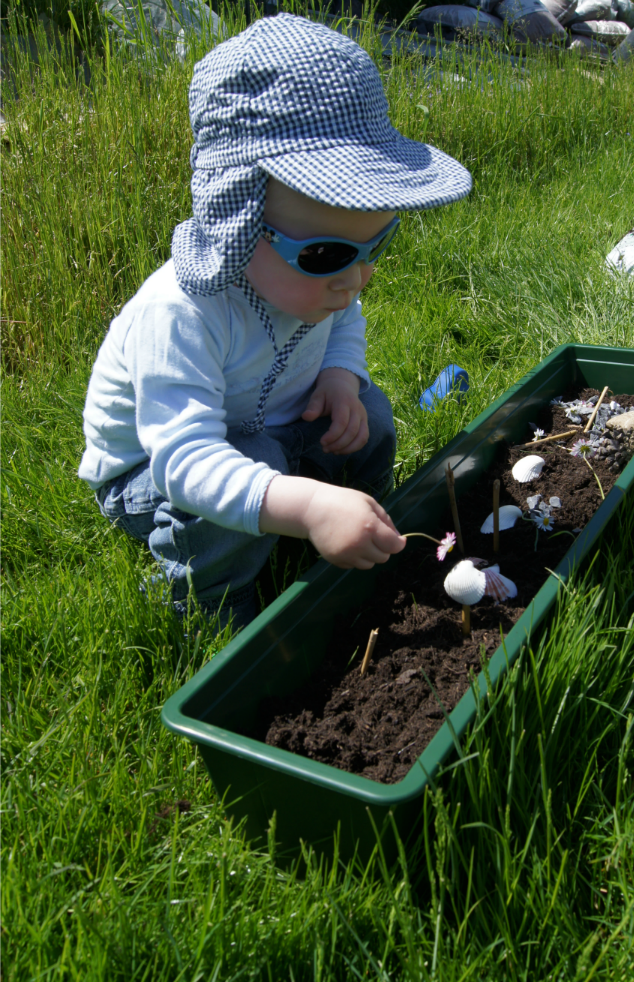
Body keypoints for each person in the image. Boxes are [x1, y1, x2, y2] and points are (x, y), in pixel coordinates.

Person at [78, 13, 472, 630]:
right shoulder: (179, 313)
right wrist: (308, 503)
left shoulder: (318, 288)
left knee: (369, 412)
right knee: (254, 456)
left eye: (376, 246)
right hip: (156, 477)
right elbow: (182, 463)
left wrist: (341, 379)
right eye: (327, 254)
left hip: (272, 429)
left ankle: (366, 525)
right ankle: (206, 602)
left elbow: (345, 320)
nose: (356, 280)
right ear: (238, 219)